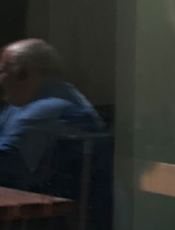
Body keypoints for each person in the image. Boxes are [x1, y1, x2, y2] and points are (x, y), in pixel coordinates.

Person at [0, 39, 106, 192]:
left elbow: (5, 163)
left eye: (2, 71)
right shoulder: (23, 104)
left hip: (57, 205)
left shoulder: (52, 107)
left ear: (22, 73)